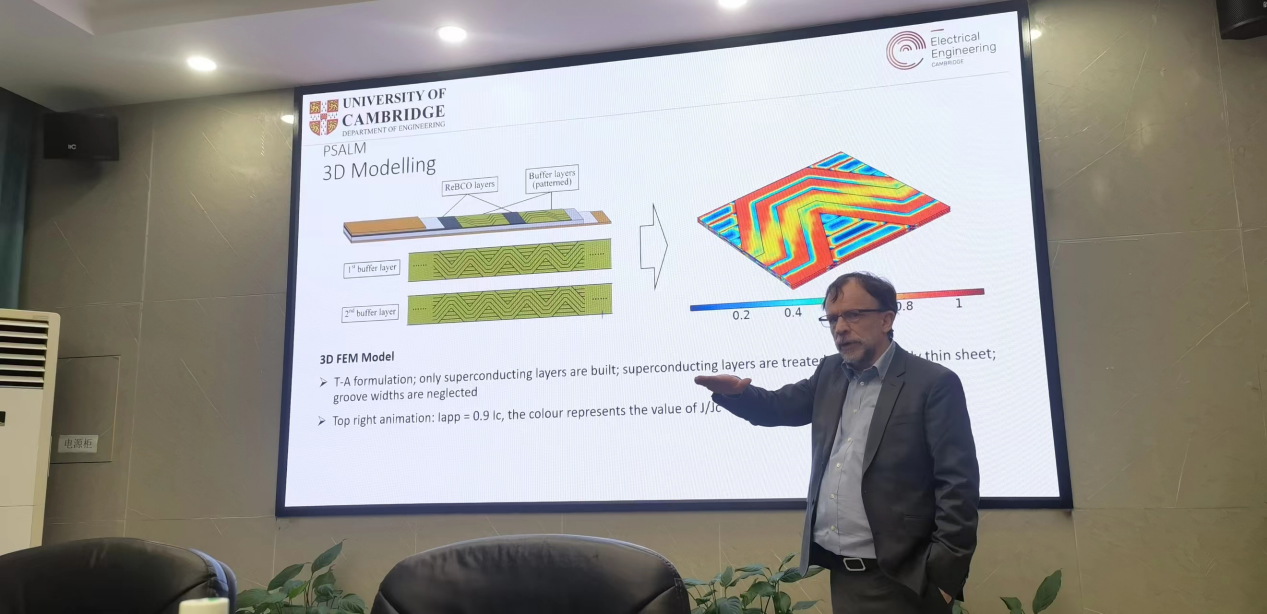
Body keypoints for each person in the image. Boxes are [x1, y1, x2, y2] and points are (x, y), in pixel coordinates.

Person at [695, 272, 979, 614]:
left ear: (887, 319)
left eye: (853, 315)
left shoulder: (933, 383)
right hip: (843, 575)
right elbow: (778, 407)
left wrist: (944, 578)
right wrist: (738, 395)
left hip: (906, 579)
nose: (840, 328)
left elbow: (957, 484)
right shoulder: (830, 372)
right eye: (832, 319)